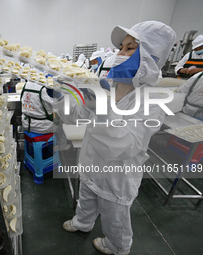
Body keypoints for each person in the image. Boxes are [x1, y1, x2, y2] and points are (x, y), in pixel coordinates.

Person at [57, 21, 175, 255]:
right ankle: (83, 222)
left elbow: (125, 144)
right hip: (92, 159)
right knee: (87, 194)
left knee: (115, 214)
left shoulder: (153, 98)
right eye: (121, 47)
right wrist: (66, 97)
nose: (120, 53)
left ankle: (117, 245)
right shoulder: (110, 83)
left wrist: (102, 110)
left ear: (151, 56)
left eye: (130, 48)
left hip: (118, 173)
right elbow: (77, 117)